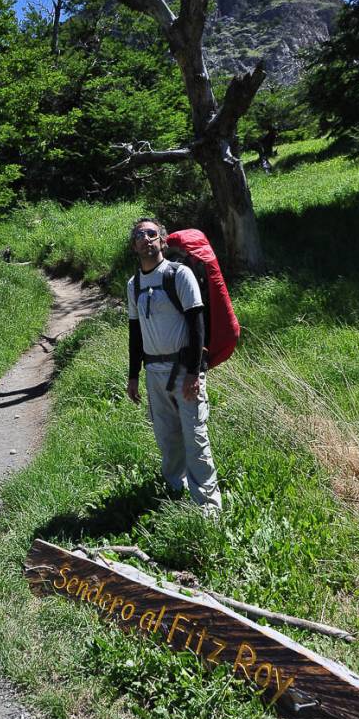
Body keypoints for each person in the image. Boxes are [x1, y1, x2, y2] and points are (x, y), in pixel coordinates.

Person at [126, 217, 221, 512]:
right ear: (134, 246)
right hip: (153, 373)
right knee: (167, 439)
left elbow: (197, 325)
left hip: (184, 372)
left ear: (162, 241)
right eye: (140, 235)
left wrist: (194, 372)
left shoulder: (179, 275)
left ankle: (208, 508)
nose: (146, 238)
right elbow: (135, 332)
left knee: (195, 438)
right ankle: (176, 493)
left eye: (152, 233)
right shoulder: (134, 285)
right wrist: (133, 376)